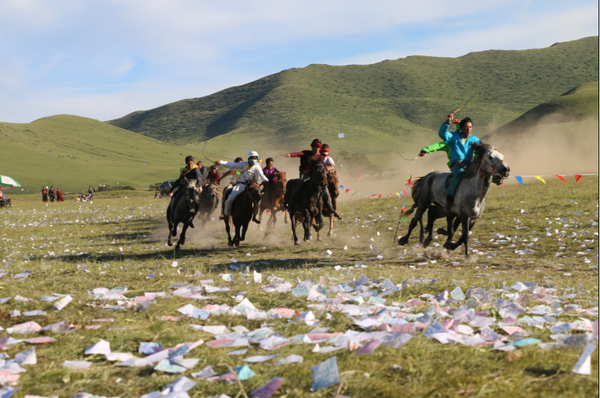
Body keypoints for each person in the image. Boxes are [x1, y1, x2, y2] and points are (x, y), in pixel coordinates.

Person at [438, 112, 481, 211]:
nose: (468, 129)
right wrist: (448, 122)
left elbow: (479, 150)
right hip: (458, 166)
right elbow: (442, 134)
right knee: (458, 177)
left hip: (470, 165)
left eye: (470, 127)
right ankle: (449, 199)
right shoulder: (454, 137)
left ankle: (477, 204)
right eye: (466, 127)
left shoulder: (475, 139)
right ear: (461, 128)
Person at [216, 151, 268, 224]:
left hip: (252, 187)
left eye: (255, 158)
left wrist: (267, 180)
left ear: (257, 159)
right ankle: (226, 215)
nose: (253, 159)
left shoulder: (257, 167)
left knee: (256, 202)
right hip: (241, 186)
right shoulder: (243, 164)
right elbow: (231, 165)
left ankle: (254, 216)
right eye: (252, 158)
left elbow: (262, 175)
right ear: (248, 158)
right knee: (230, 199)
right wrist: (221, 162)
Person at [169, 155, 204, 227]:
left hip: (193, 190)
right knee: (175, 201)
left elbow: (199, 180)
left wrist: (198, 186)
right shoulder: (184, 170)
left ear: (193, 163)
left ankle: (191, 219)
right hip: (183, 189)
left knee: (197, 204)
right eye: (188, 163)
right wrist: (172, 188)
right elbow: (179, 180)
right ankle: (172, 217)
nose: (190, 165)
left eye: (191, 163)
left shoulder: (196, 170)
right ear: (186, 163)